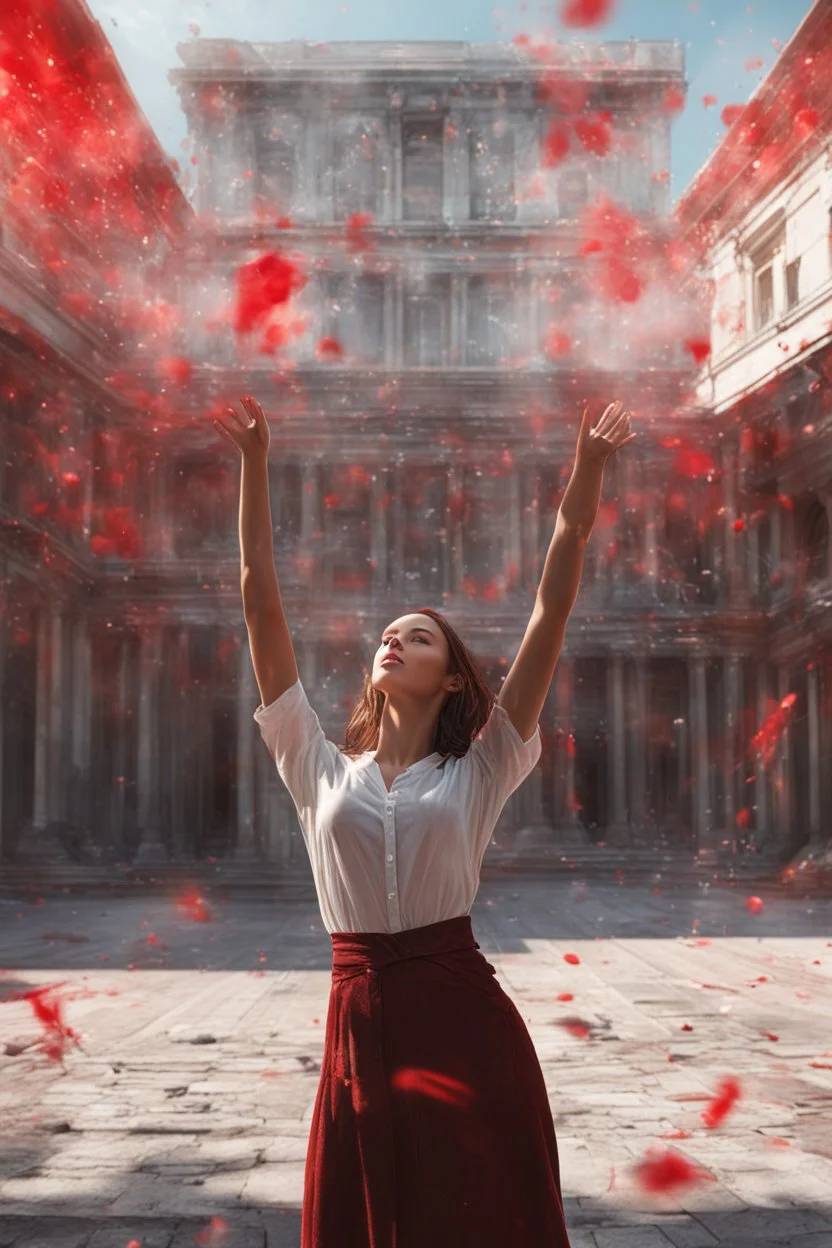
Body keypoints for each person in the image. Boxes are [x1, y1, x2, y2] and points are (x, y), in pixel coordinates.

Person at [214, 393, 634, 1248]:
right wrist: (254, 463)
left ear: (452, 679)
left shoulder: (482, 767)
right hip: (359, 1015)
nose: (394, 641)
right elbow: (261, 599)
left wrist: (587, 469)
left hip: (465, 1019)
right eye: (388, 634)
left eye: (420, 638)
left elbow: (550, 609)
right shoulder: (315, 763)